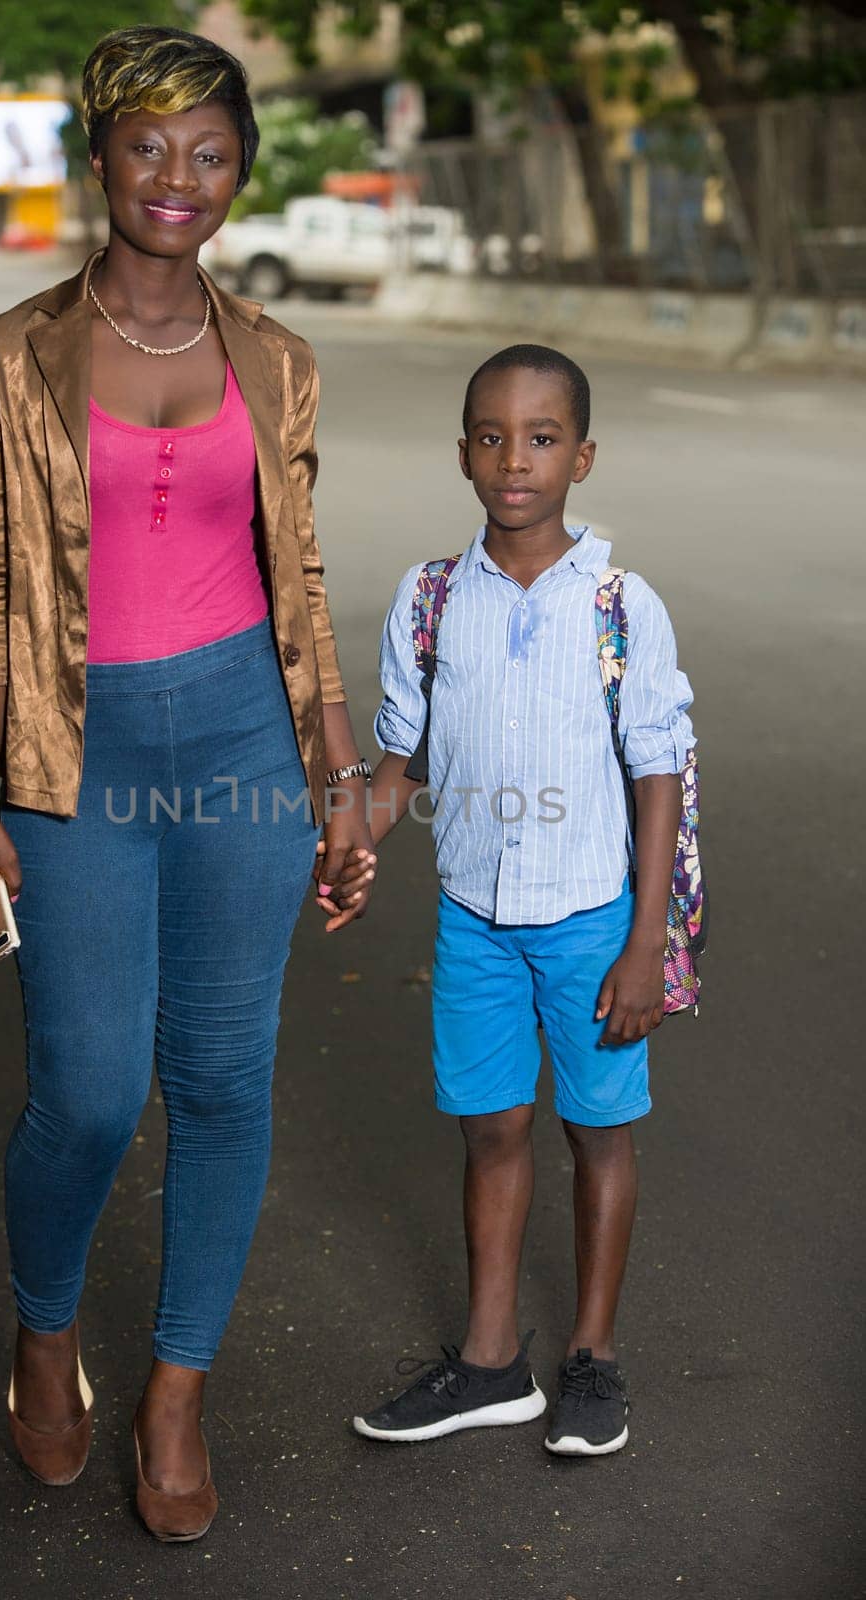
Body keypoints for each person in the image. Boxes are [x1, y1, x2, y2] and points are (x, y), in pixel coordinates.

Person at [0, 25, 377, 1542]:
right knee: (88, 1088)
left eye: (209, 151)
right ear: (100, 158)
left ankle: (176, 1391)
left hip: (247, 744)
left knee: (223, 1080)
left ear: (239, 172)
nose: (177, 177)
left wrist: (338, 772)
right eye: (148, 146)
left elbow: (298, 574)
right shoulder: (13, 351)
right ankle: (45, 1331)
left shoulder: (280, 357)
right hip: (78, 758)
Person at [339, 344, 694, 1457]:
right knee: (490, 1129)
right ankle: (492, 1364)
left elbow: (658, 775)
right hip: (475, 922)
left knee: (597, 1131)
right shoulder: (432, 598)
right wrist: (352, 836)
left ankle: (592, 1358)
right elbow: (403, 759)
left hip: (593, 920)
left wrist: (644, 940)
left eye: (542, 438)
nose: (515, 459)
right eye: (491, 436)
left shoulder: (623, 605)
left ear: (582, 456)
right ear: (462, 454)